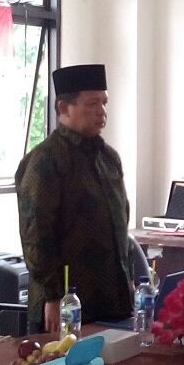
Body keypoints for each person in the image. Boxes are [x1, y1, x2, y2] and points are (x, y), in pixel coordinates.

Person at [15, 63, 133, 333]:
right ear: (63, 108)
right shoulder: (45, 160)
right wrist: (53, 295)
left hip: (111, 298)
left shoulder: (109, 158)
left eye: (104, 102)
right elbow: (35, 236)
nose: (102, 111)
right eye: (92, 104)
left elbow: (119, 225)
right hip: (65, 303)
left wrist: (127, 279)